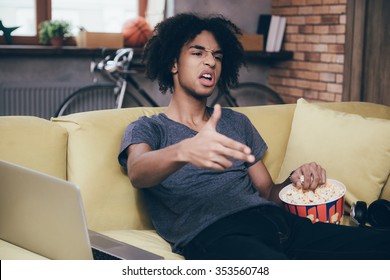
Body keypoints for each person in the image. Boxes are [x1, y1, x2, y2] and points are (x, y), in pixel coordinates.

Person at [118, 13, 390, 259]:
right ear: (173, 64)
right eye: (198, 52)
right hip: (216, 235)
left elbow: (269, 193)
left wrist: (295, 180)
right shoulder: (149, 128)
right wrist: (184, 150)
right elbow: (138, 171)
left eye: (218, 56)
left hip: (279, 223)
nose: (211, 61)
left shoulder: (236, 121)